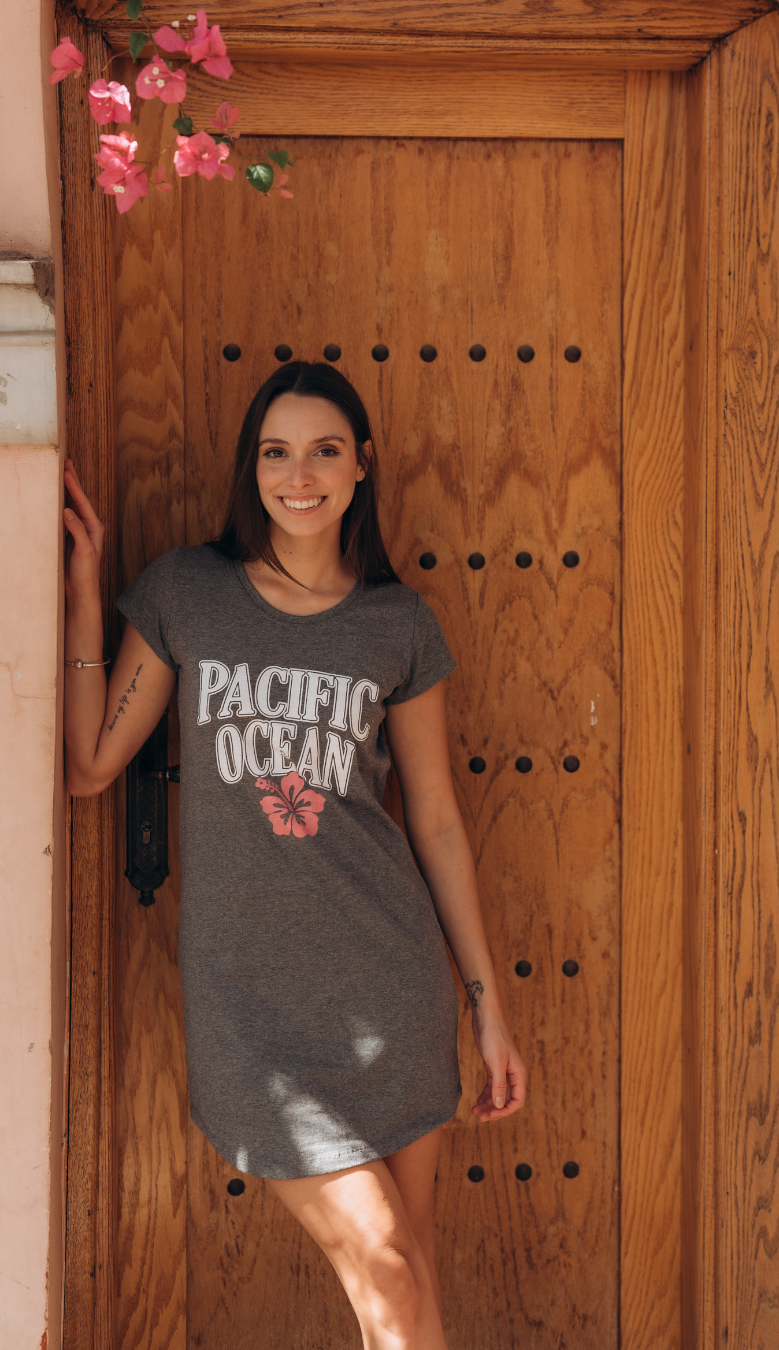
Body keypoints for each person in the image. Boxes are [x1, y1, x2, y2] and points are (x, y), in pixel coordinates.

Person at [63, 360, 526, 1348]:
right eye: (276, 453)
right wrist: (82, 593)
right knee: (390, 1270)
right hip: (251, 1010)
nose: (298, 475)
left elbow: (437, 823)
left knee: (406, 1277)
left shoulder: (398, 624)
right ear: (253, 468)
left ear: (362, 466)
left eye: (323, 452)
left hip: (387, 988)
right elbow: (92, 766)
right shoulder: (188, 593)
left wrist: (488, 1008)